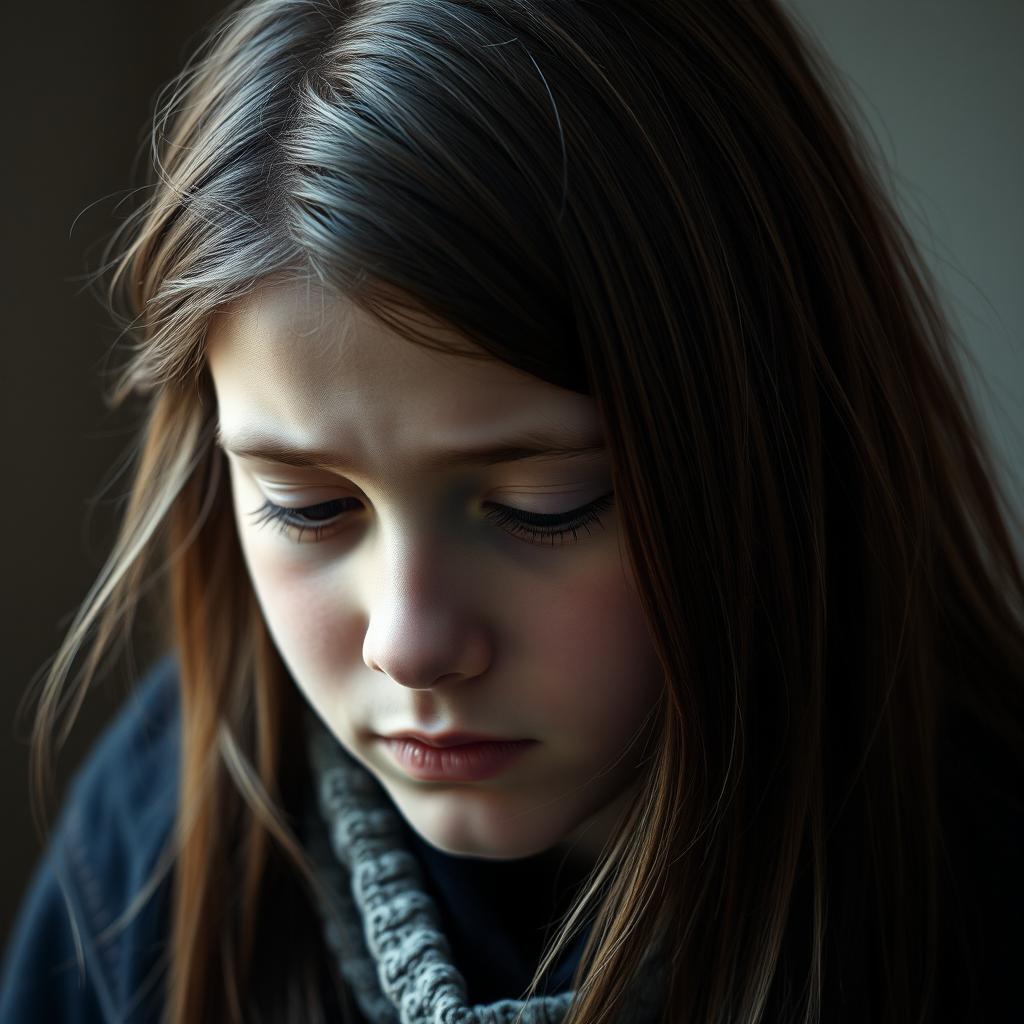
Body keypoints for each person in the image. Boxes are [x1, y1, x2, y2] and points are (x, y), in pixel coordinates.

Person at [1, 0, 1021, 1021]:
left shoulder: (969, 884)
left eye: (544, 505)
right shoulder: (153, 852)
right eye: (306, 506)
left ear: (772, 439)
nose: (410, 644)